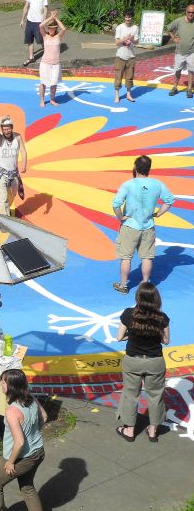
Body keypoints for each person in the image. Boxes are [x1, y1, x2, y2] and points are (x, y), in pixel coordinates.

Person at [0, 369, 48, 511]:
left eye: (3, 381)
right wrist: (34, 432)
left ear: (10, 386)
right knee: (27, 487)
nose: (1, 384)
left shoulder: (12, 411)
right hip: (38, 452)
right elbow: (44, 416)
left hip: (22, 458)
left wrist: (10, 462)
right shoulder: (31, 399)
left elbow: (20, 442)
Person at [111, 155, 175, 294]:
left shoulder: (128, 184)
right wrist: (158, 214)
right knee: (147, 257)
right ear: (149, 169)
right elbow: (169, 200)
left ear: (135, 167)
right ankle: (145, 285)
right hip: (148, 226)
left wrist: (120, 217)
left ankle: (123, 286)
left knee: (126, 257)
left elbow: (116, 204)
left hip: (130, 226)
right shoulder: (157, 184)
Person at [116, 282, 170, 442]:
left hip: (133, 361)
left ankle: (130, 430)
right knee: (156, 395)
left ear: (138, 297)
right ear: (156, 299)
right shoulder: (162, 318)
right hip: (155, 362)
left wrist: (131, 335)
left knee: (130, 394)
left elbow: (119, 337)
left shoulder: (128, 314)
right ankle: (153, 431)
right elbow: (166, 341)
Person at [0, 116, 27, 216]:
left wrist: (24, 164)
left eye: (8, 129)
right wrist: (0, 120)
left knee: (12, 195)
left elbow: (23, 151)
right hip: (1, 173)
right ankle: (5, 220)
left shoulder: (18, 137)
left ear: (12, 128)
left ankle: (6, 208)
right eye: (4, 129)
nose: (6, 131)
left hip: (13, 172)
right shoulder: (0, 139)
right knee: (3, 198)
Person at [38, 11, 66, 108]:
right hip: (45, 63)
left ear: (55, 29)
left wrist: (56, 18)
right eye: (49, 28)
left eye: (53, 28)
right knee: (43, 83)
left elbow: (64, 28)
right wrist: (50, 17)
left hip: (56, 63)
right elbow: (41, 26)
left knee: (54, 83)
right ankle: (42, 100)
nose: (51, 30)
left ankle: (52, 99)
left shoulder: (59, 36)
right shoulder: (45, 36)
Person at [166, 3, 194, 98]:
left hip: (192, 52)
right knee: (178, 70)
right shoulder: (179, 21)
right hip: (180, 52)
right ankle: (175, 87)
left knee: (191, 71)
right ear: (186, 12)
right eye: (189, 12)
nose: (191, 14)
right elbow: (169, 28)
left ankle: (189, 89)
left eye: (193, 12)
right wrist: (173, 38)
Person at [20, 0, 48, 67]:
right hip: (30, 20)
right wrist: (22, 19)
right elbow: (26, 7)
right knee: (29, 40)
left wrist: (43, 20)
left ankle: (47, 55)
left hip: (39, 22)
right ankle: (31, 57)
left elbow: (45, 9)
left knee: (41, 39)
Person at [114, 9, 140, 103]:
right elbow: (117, 42)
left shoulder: (135, 28)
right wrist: (124, 39)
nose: (127, 19)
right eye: (126, 17)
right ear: (124, 17)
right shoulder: (120, 27)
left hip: (131, 56)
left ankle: (129, 94)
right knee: (118, 76)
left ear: (132, 17)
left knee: (129, 77)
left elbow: (136, 41)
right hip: (120, 56)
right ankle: (117, 96)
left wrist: (131, 39)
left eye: (129, 17)